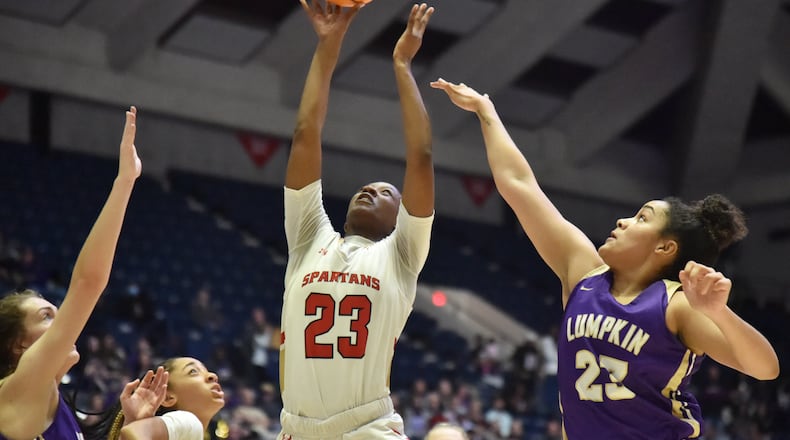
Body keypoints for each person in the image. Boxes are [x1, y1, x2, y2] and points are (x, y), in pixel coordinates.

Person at [430, 79, 780, 439]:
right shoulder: (583, 274)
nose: (622, 221)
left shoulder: (676, 305)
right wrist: (487, 113)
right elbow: (518, 185)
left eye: (642, 218)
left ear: (664, 248)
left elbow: (765, 367)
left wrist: (719, 312)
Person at [279, 1, 435, 439]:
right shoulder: (309, 235)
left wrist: (402, 64)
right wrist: (330, 43)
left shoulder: (402, 254)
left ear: (399, 218)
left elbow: (421, 159)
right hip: (296, 429)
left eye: (387, 192)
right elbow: (306, 132)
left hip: (367, 428)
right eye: (367, 187)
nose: (371, 190)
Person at [0, 106, 142, 439]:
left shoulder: (50, 399)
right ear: (20, 346)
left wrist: (131, 427)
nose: (63, 318)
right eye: (47, 316)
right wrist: (124, 183)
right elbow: (87, 283)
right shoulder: (16, 389)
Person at [105, 357, 226, 440]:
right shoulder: (188, 422)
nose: (212, 376)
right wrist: (134, 425)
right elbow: (133, 432)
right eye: (193, 371)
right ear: (167, 397)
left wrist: (132, 421)